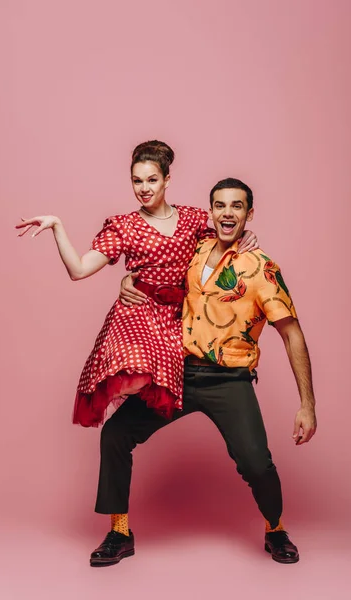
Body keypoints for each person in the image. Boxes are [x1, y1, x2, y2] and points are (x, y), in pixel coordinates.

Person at [92, 177, 316, 567]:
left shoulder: (261, 268)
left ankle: (275, 528)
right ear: (210, 211)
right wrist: (129, 280)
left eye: (237, 206)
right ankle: (119, 532)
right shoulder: (193, 251)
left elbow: (291, 333)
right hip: (177, 372)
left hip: (229, 380)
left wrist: (307, 405)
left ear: (249, 213)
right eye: (220, 205)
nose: (228, 213)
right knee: (115, 434)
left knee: (255, 463)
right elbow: (156, 269)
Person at [15, 141, 258, 427]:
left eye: (152, 180)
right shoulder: (125, 226)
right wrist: (57, 225)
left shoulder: (193, 219)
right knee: (135, 363)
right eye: (137, 181)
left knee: (176, 387)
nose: (144, 188)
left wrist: (245, 235)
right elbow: (78, 270)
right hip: (138, 312)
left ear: (167, 180)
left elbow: (218, 244)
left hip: (178, 320)